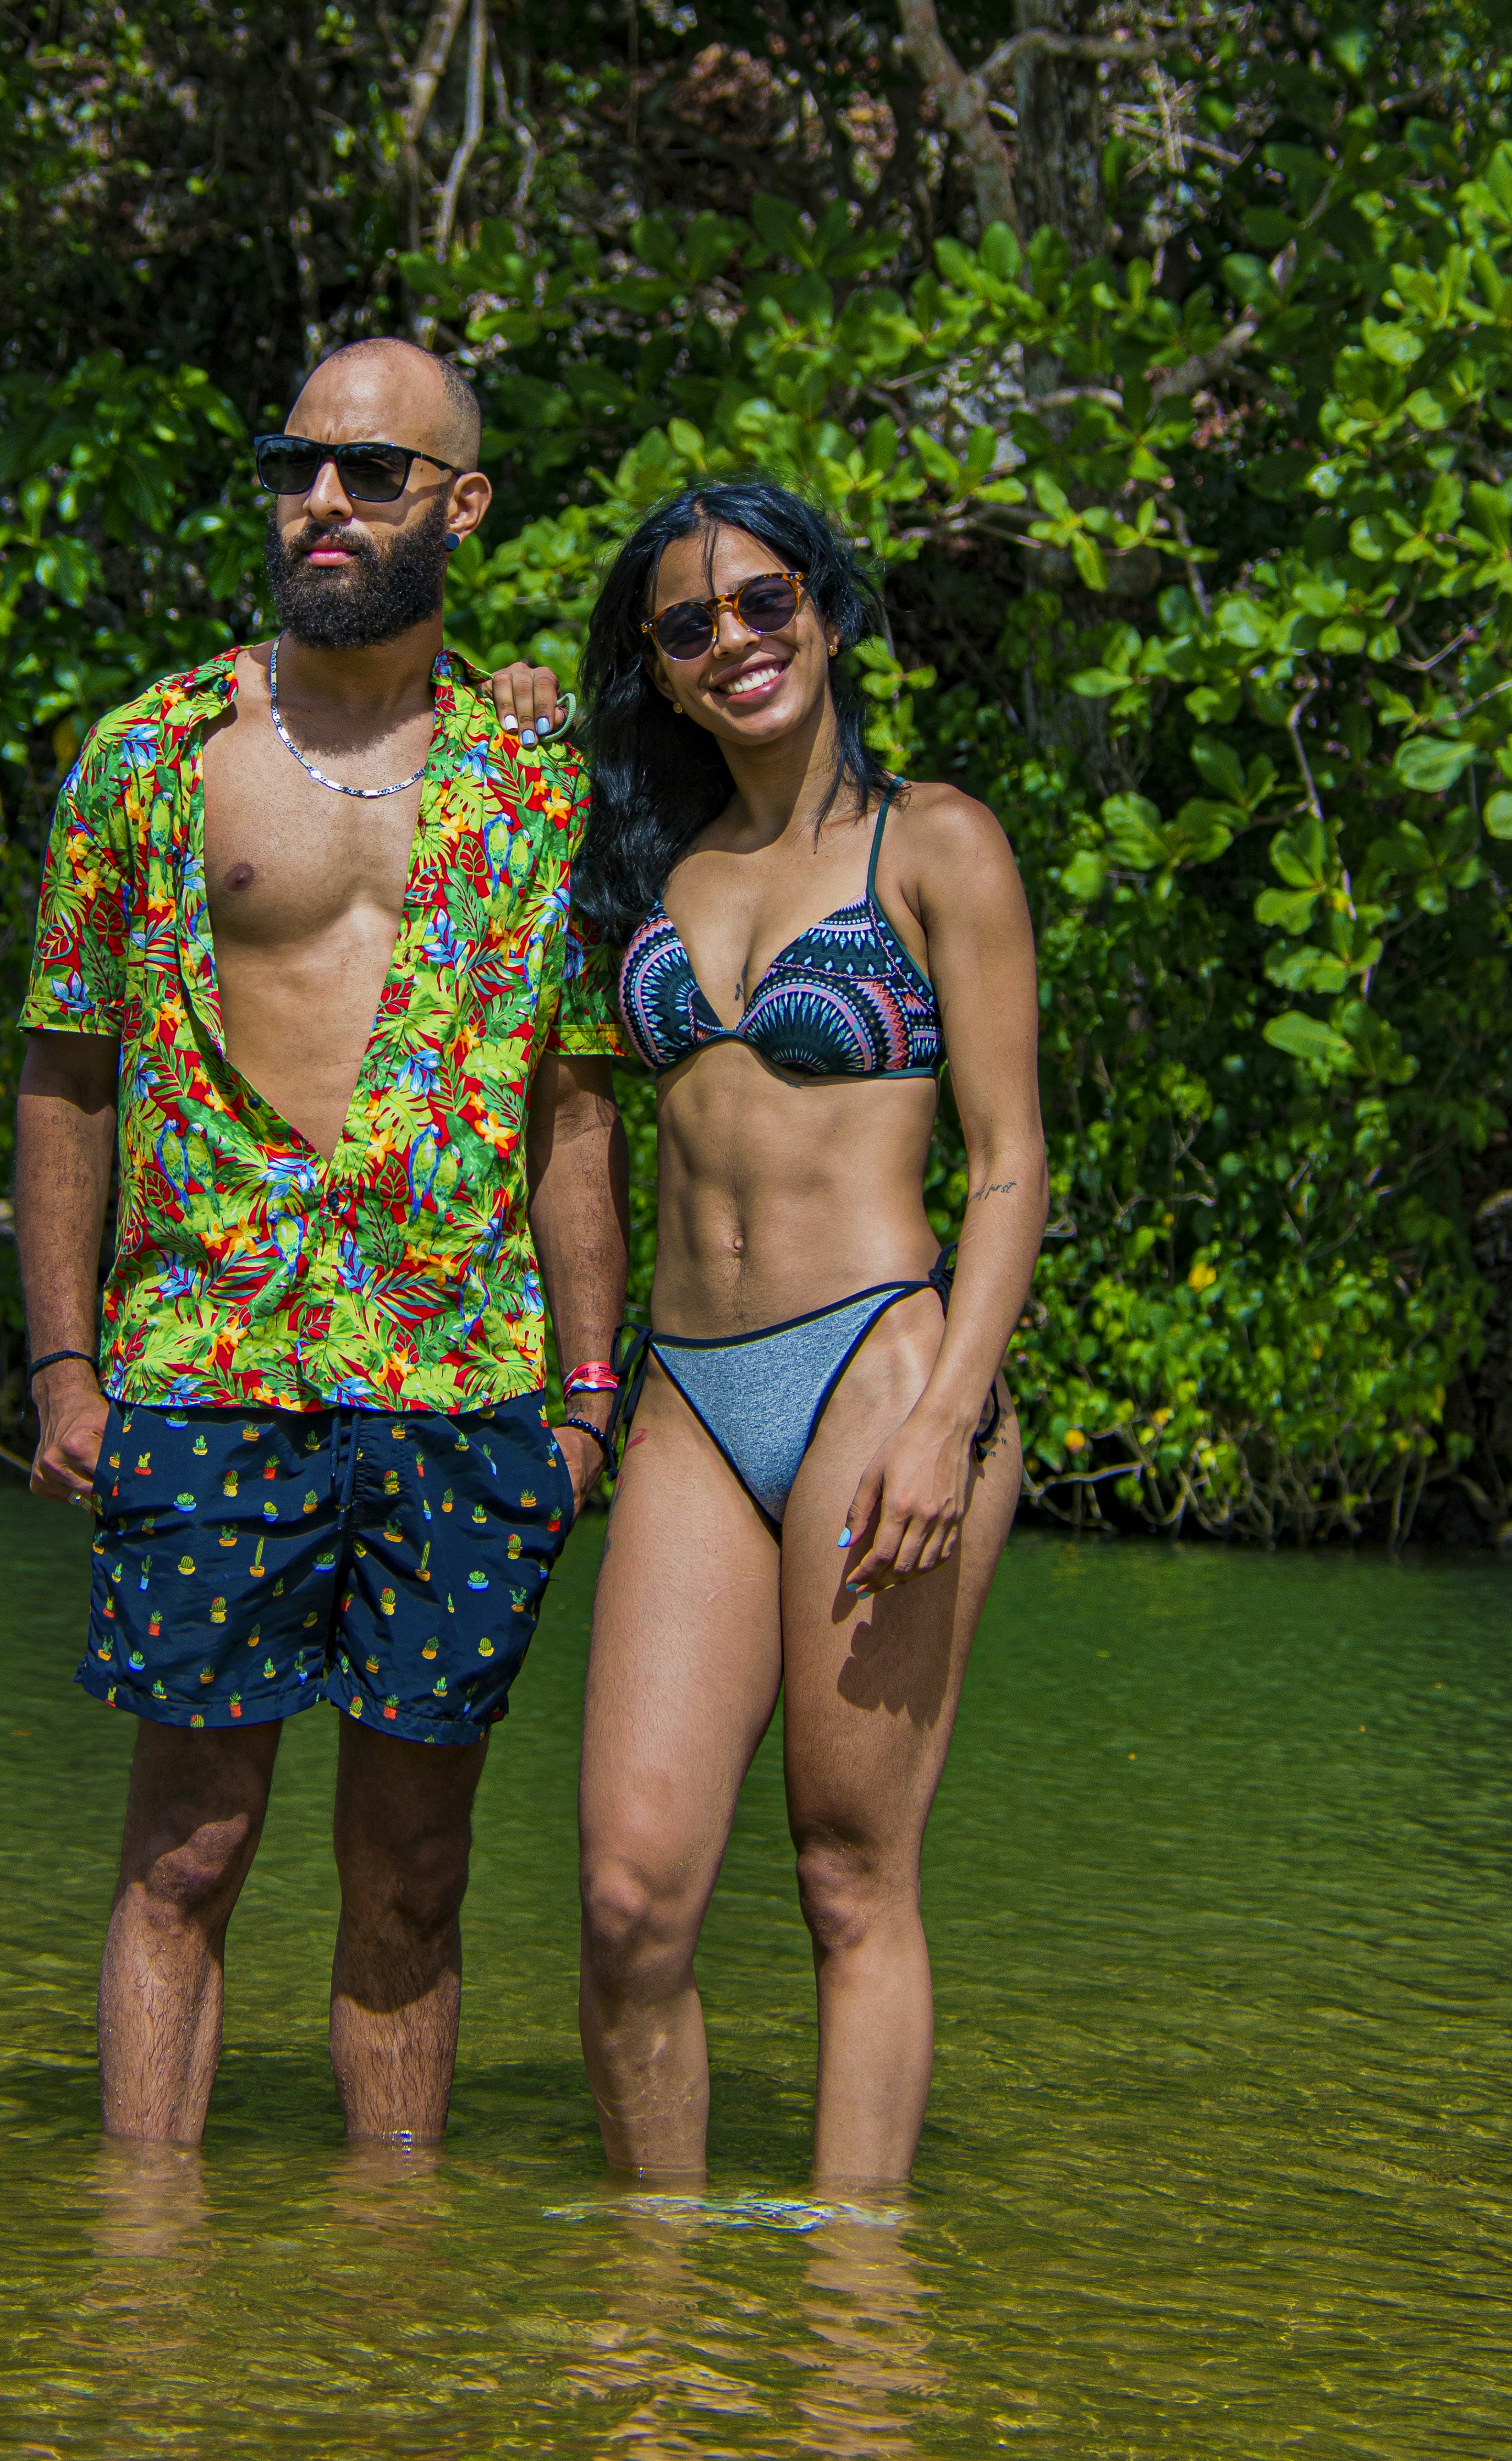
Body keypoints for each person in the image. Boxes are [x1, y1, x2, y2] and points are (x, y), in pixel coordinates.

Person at [14, 336, 630, 2150]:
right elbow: (66, 1074)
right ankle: (141, 2295)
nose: (325, 505)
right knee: (187, 1852)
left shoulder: (541, 778)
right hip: (209, 1369)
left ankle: (386, 2307)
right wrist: (62, 1363)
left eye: (372, 474)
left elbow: (573, 1112)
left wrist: (587, 1405)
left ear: (463, 503)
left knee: (417, 1878)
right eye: (298, 471)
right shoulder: (150, 755)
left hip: (464, 1386)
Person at [554, 474, 1045, 2187]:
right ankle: (654, 2337)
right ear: (663, 672)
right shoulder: (638, 860)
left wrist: (946, 1416)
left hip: (880, 1371)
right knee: (629, 1898)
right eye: (689, 628)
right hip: (690, 1393)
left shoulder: (938, 844)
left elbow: (1011, 1166)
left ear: (827, 612)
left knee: (848, 1873)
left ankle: (853, 2341)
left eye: (765, 603)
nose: (735, 643)